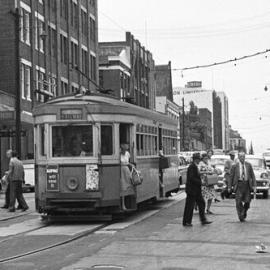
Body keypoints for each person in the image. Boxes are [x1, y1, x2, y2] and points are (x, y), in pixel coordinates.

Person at [182, 152, 212, 227]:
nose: (199, 161)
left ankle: (203, 220)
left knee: (201, 203)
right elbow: (192, 178)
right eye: (199, 159)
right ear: (196, 160)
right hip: (192, 190)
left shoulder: (195, 166)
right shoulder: (192, 167)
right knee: (189, 206)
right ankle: (187, 222)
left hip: (196, 190)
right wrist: (200, 182)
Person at [228, 150, 256, 222]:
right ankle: (240, 216)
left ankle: (244, 210)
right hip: (238, 185)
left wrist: (254, 186)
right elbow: (231, 177)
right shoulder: (234, 166)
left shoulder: (248, 165)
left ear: (245, 157)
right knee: (238, 201)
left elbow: (252, 175)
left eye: (243, 156)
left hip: (246, 185)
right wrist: (229, 187)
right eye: (240, 156)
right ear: (238, 157)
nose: (242, 158)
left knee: (247, 201)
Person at [120, 144, 133, 210]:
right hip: (121, 171)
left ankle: (127, 203)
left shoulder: (127, 154)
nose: (124, 151)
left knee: (127, 186)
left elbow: (128, 162)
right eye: (123, 150)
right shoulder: (119, 154)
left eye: (125, 150)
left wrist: (131, 165)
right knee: (123, 186)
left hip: (126, 170)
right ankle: (123, 204)